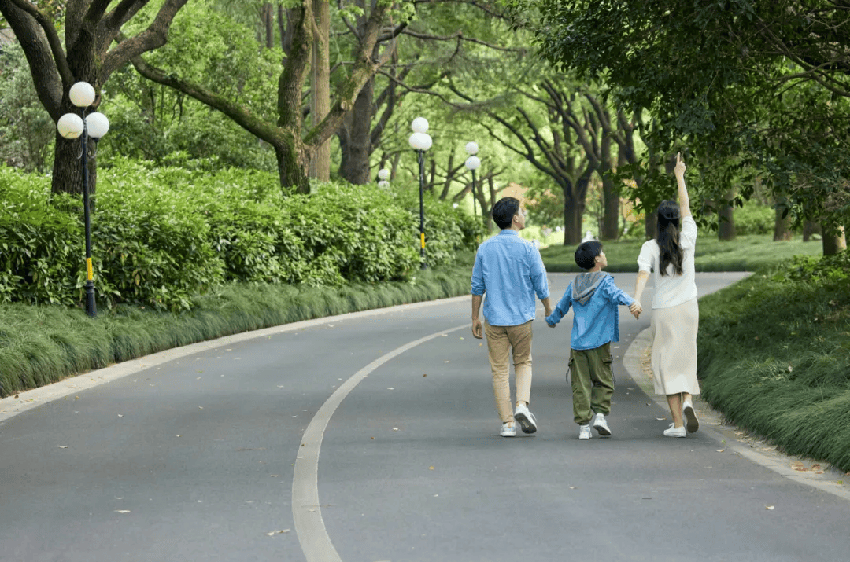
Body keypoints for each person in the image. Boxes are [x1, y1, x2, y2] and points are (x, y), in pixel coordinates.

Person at [471, 197, 552, 437]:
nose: (524, 215)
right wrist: (548, 308)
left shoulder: (485, 248)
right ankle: (521, 405)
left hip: (494, 319)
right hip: (521, 318)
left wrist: (474, 317)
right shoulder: (528, 248)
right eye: (522, 212)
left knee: (499, 370)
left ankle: (507, 424)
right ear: (515, 219)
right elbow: (540, 282)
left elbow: (477, 286)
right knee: (523, 361)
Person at [633, 152, 701, 438]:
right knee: (686, 359)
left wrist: (636, 299)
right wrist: (679, 176)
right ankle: (688, 401)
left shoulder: (650, 246)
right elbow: (684, 206)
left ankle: (677, 426)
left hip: (663, 311)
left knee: (665, 365)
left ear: (657, 220)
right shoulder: (688, 238)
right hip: (688, 309)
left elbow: (643, 276)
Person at [546, 242, 642, 440]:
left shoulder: (574, 284)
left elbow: (562, 307)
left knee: (580, 385)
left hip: (578, 345)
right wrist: (632, 302)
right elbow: (617, 294)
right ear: (597, 260)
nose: (605, 255)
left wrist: (552, 320)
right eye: (602, 253)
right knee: (604, 380)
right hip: (599, 343)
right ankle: (600, 416)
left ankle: (583, 428)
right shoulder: (605, 281)